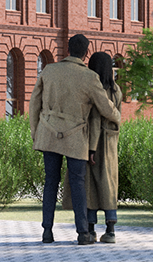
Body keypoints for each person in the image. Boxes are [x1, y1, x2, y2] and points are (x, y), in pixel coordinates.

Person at [30, 34, 120, 245]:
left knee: (50, 183)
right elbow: (105, 108)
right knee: (78, 183)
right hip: (75, 136)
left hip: (48, 133)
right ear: (86, 53)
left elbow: (34, 102)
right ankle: (83, 234)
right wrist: (117, 116)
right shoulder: (89, 77)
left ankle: (47, 232)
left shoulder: (48, 70)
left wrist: (36, 133)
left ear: (68, 50)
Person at [84, 52, 124, 244]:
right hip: (111, 142)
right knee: (109, 184)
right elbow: (118, 118)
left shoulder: (96, 91)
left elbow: (94, 120)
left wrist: (91, 149)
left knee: (91, 184)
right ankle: (110, 230)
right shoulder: (117, 90)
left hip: (96, 141)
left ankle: (90, 229)